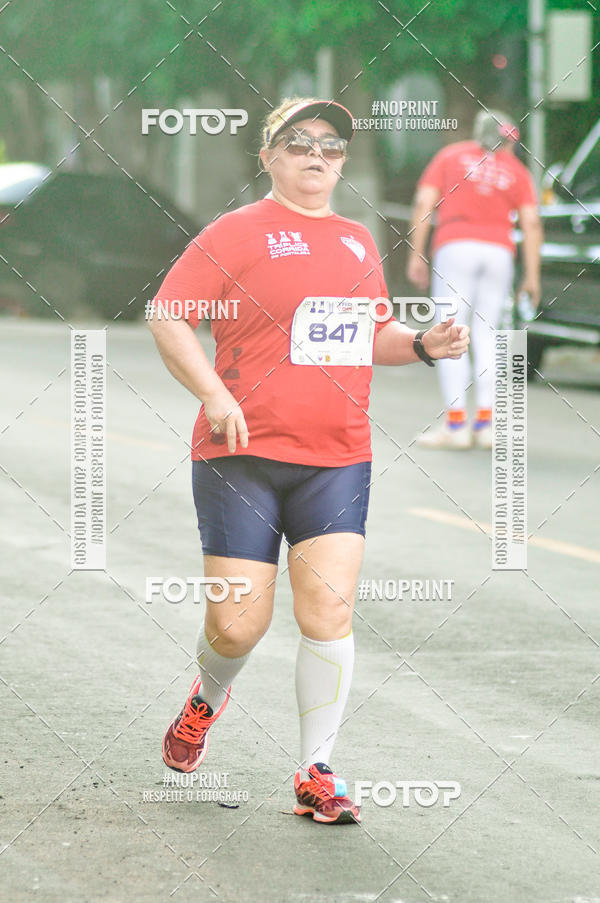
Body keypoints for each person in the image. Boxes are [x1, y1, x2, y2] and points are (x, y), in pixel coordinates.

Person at [148, 96, 470, 824]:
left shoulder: (358, 242)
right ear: (268, 155)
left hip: (337, 459)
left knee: (328, 611)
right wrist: (212, 394)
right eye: (298, 143)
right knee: (238, 626)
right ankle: (204, 701)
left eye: (330, 144)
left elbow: (371, 336)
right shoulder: (236, 233)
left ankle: (315, 769)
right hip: (242, 454)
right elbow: (168, 314)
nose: (316, 155)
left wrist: (422, 345)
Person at [407, 109, 542, 449]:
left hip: (455, 248)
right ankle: (486, 425)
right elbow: (531, 224)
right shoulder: (517, 171)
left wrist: (417, 252)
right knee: (486, 334)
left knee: (450, 332)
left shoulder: (450, 157)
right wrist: (533, 277)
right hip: (498, 252)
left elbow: (424, 202)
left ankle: (456, 426)